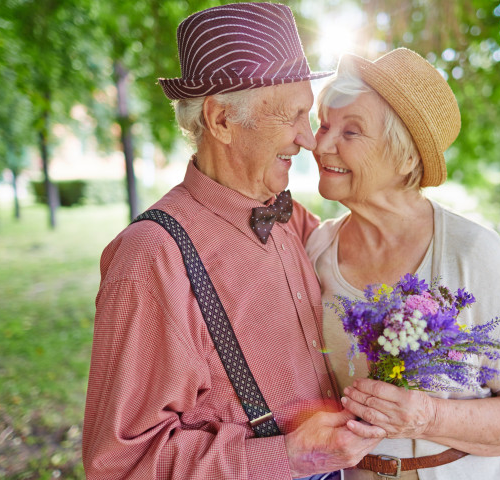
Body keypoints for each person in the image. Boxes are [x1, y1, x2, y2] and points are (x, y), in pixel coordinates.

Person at [82, 4, 386, 479]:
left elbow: (365, 250)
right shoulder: (152, 256)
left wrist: (446, 253)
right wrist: (286, 457)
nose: (309, 140)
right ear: (221, 120)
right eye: (293, 116)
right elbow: (121, 464)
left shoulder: (289, 216)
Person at [304, 48, 500, 479]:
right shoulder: (317, 248)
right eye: (325, 125)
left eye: (351, 132)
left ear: (406, 158)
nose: (321, 144)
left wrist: (428, 416)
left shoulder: (470, 252)